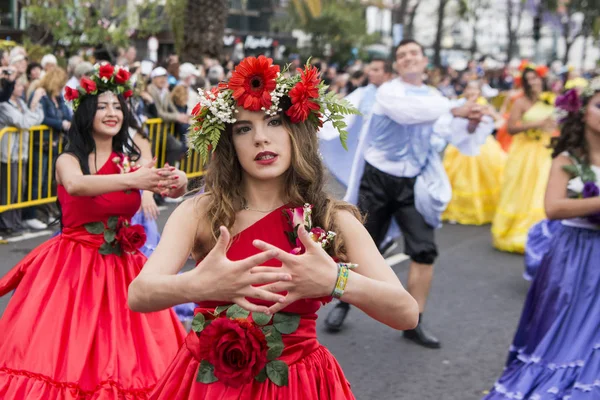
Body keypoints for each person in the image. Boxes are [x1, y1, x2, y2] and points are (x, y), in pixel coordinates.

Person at [128, 55, 419, 399]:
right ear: (230, 144)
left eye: (275, 122)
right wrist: (198, 284)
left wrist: (334, 281)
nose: (261, 139)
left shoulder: (331, 218)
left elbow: (405, 313)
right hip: (208, 387)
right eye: (244, 128)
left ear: (297, 132)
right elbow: (138, 294)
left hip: (298, 386)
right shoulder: (200, 212)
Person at [0, 64, 187, 398]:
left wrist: (178, 182)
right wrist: (135, 180)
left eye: (117, 106)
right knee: (62, 350)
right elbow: (77, 185)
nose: (112, 112)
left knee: (125, 349)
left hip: (122, 268)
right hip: (70, 267)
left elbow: (168, 190)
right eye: (102, 106)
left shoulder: (130, 161)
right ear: (87, 112)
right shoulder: (69, 159)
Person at [323, 39, 491, 348]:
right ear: (396, 65)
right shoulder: (389, 92)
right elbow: (409, 113)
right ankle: (344, 304)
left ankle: (415, 320)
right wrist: (456, 108)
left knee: (424, 250)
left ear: (425, 60)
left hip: (413, 182)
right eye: (402, 55)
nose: (408, 58)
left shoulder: (436, 97)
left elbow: (445, 133)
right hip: (378, 179)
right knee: (358, 248)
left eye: (414, 53)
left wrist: (469, 123)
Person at [483, 79, 600, 400]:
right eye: (599, 106)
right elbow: (554, 207)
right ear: (582, 112)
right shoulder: (568, 159)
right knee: (568, 328)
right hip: (575, 252)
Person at [491, 66, 558, 253]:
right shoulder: (520, 102)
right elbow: (511, 128)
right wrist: (536, 124)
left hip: (544, 150)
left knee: (541, 190)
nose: (533, 82)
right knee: (521, 190)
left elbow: (556, 124)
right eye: (528, 79)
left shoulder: (551, 100)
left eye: (535, 78)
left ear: (542, 79)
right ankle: (519, 232)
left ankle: (541, 236)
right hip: (524, 152)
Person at [441, 80, 506, 225]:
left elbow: (500, 121)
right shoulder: (459, 104)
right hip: (460, 145)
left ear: (479, 92)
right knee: (459, 177)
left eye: (475, 90)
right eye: (469, 88)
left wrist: (488, 122)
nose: (472, 92)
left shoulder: (484, 105)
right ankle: (459, 208)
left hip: (483, 145)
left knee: (486, 175)